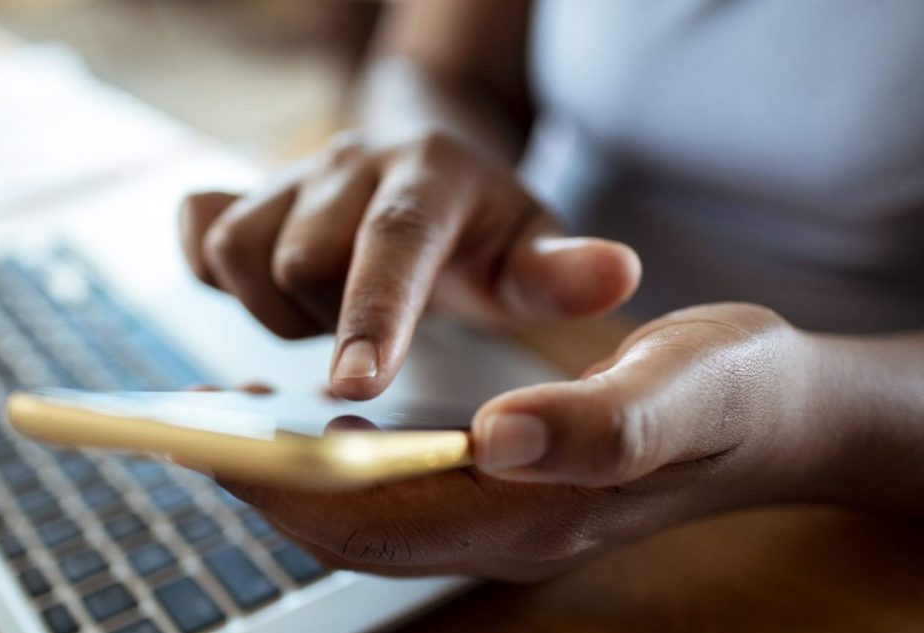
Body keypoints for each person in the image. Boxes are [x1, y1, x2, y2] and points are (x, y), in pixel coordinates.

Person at [178, 0, 924, 581]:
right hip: (498, 338)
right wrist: (430, 179)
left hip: (845, 483)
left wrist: (807, 419)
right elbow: (435, 67)